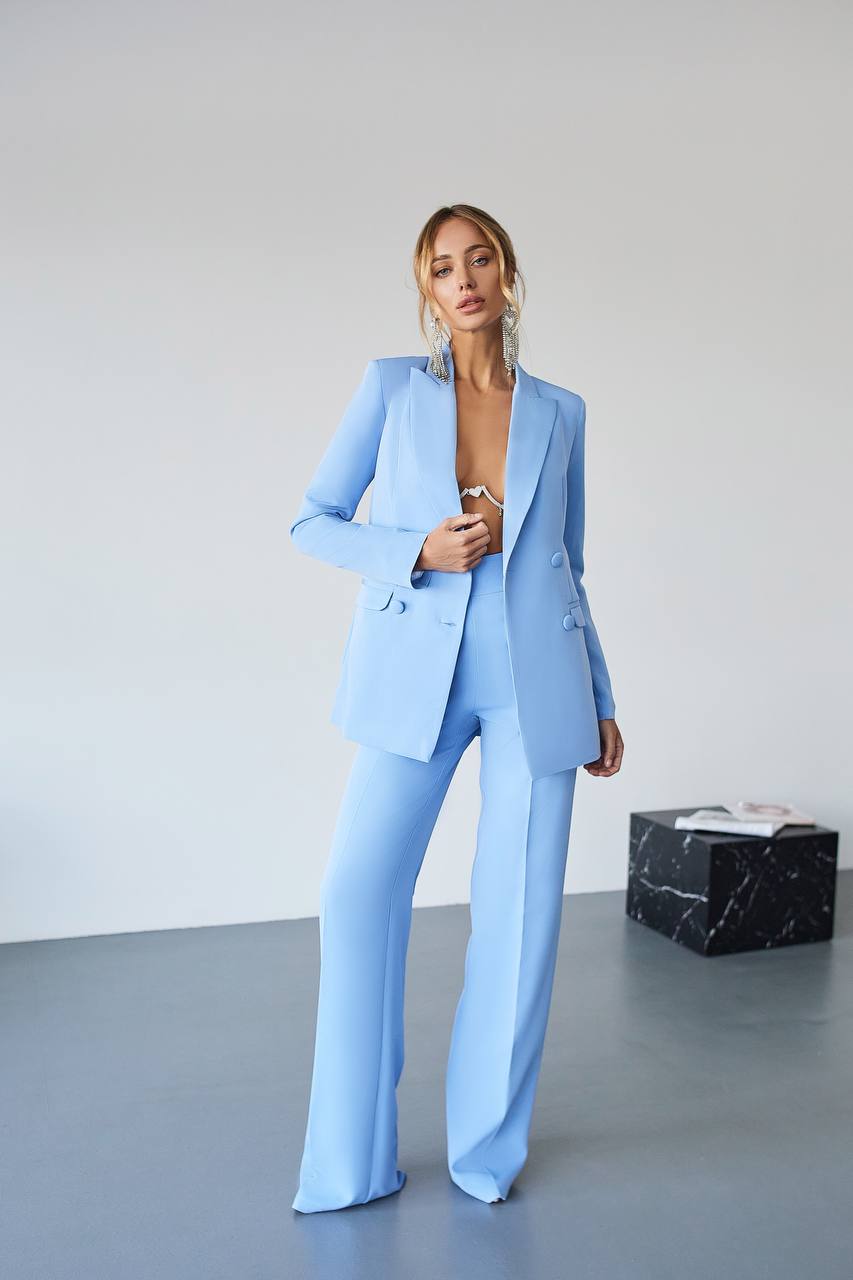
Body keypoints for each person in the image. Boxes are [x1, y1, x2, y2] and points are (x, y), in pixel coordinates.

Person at [289, 203, 624, 1213]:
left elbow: (567, 564)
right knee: (356, 893)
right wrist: (414, 550)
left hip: (539, 688)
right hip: (413, 684)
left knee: (517, 924)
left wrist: (602, 697)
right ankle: (350, 1160)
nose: (464, 277)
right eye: (444, 266)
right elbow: (312, 519)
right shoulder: (393, 389)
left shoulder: (559, 411)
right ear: (428, 290)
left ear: (508, 273)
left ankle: (485, 1154)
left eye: (480, 258)